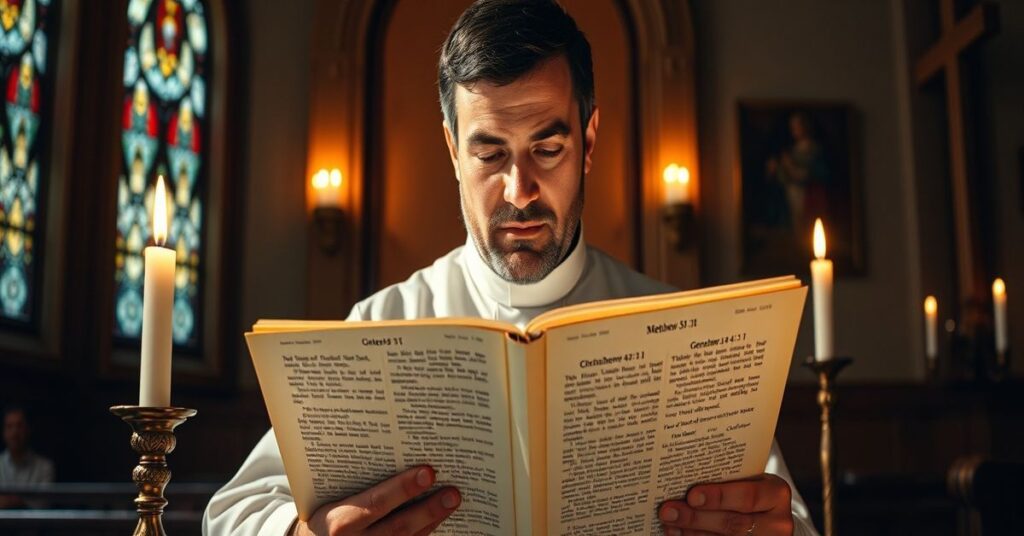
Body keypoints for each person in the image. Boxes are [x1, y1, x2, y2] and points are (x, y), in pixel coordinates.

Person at [205, 1, 817, 534]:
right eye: (490, 152)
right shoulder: (379, 322)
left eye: (548, 149)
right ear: (452, 148)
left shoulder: (687, 336)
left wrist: (771, 528)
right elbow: (231, 513)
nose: (519, 190)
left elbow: (786, 521)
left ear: (590, 139)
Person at [0, 406, 55, 509]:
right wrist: (23, 502)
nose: (14, 432)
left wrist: (10, 502)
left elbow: (41, 506)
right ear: (4, 432)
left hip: (32, 525)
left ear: (28, 429)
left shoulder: (45, 467)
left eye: (19, 426)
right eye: (9, 426)